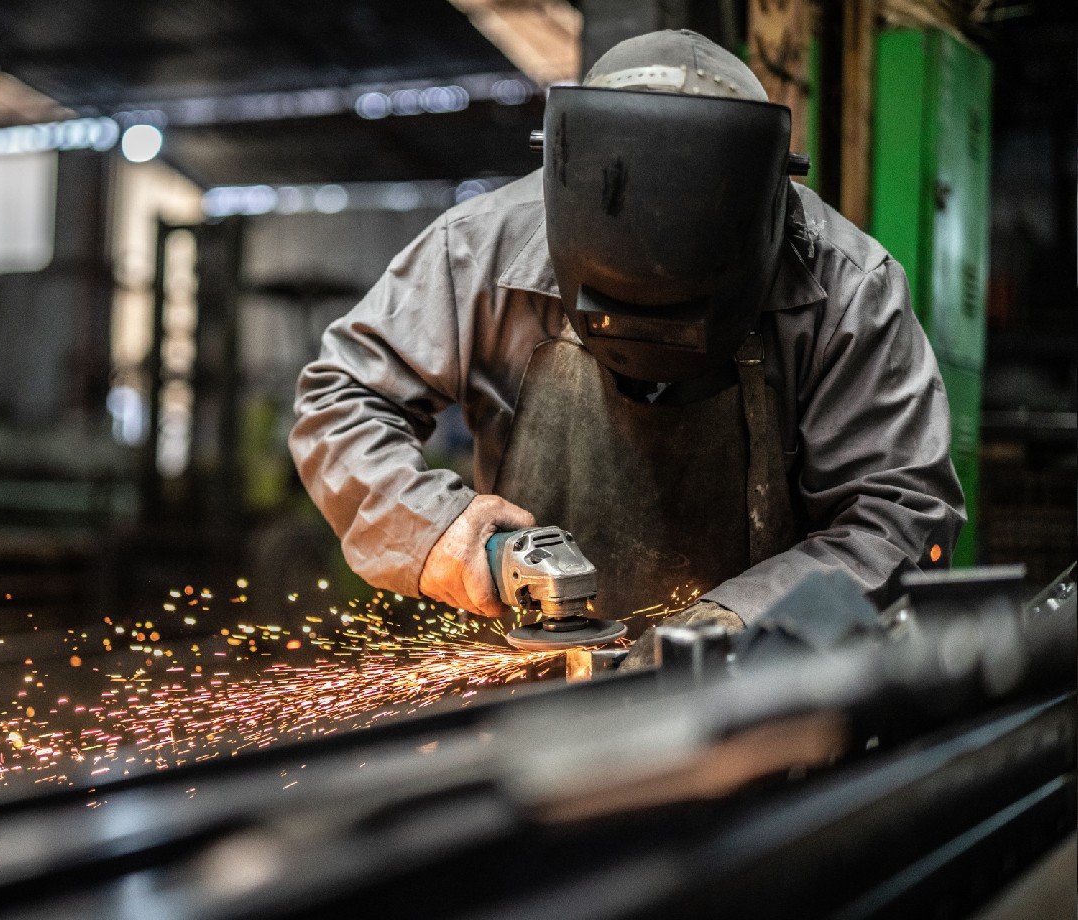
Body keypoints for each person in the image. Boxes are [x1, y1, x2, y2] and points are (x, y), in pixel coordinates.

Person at [289, 29, 965, 666]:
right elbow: (340, 401)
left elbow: (900, 515)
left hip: (758, 687)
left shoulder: (847, 287)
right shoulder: (480, 250)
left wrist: (740, 624)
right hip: (533, 680)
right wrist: (449, 536)